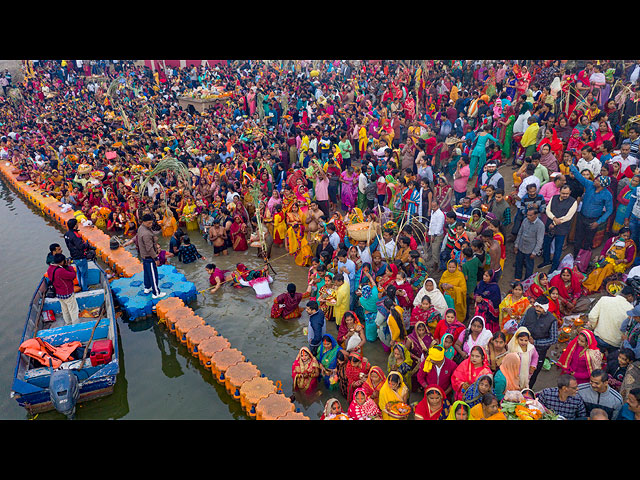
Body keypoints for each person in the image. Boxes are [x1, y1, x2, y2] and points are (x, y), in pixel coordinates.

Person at [569, 164, 613, 258]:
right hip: (582, 217)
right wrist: (571, 166)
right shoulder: (589, 185)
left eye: (597, 180)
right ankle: (575, 257)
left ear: (601, 184)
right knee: (578, 238)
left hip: (593, 220)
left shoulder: (607, 195)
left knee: (588, 240)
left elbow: (609, 210)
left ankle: (584, 258)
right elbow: (580, 177)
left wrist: (598, 222)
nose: (594, 180)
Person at [518, 295, 558, 389]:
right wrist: (525, 336)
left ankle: (527, 391)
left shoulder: (552, 320)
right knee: (519, 369)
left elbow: (553, 339)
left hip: (539, 351)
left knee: (533, 373)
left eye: (540, 307)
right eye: (537, 306)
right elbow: (520, 325)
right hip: (523, 347)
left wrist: (535, 342)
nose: (537, 309)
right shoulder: (529, 311)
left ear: (545, 308)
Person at [583, 227, 636, 293]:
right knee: (598, 270)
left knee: (607, 269)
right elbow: (604, 250)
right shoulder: (613, 240)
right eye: (624, 235)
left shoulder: (630, 245)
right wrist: (602, 256)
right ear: (619, 234)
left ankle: (596, 286)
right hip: (607, 259)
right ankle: (588, 284)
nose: (626, 238)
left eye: (628, 236)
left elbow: (629, 259)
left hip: (618, 264)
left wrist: (620, 261)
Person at [587, 286, 635, 355]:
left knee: (594, 358)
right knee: (610, 361)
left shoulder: (604, 299)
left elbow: (592, 316)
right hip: (615, 344)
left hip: (599, 337)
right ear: (630, 296)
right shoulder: (631, 309)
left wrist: (593, 326)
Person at [540, 185, 577, 272]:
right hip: (550, 226)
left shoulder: (573, 202)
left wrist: (554, 222)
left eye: (567, 193)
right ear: (559, 192)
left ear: (570, 193)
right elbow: (548, 210)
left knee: (558, 248)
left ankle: (554, 266)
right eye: (563, 193)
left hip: (562, 228)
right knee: (546, 244)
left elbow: (568, 216)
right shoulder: (554, 197)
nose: (565, 195)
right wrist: (554, 219)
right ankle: (546, 261)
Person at [46, 253, 80, 326]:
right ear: (62, 261)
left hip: (58, 293)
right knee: (73, 310)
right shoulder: (60, 271)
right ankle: (76, 325)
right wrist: (69, 266)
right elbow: (73, 275)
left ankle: (68, 323)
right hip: (67, 293)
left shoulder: (50, 269)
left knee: (65, 310)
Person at [514, 206, 545, 282]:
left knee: (529, 266)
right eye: (527, 215)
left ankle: (526, 281)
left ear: (536, 215)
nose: (528, 217)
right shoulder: (525, 220)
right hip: (521, 246)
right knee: (518, 263)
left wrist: (534, 252)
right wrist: (516, 245)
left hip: (530, 250)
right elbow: (520, 233)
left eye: (530, 215)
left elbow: (540, 240)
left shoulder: (540, 225)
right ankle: (517, 278)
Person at [138, 213, 165, 299]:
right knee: (153, 275)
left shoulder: (141, 228)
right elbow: (149, 248)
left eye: (151, 223)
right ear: (144, 222)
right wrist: (155, 258)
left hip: (143, 256)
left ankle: (147, 287)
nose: (151, 225)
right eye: (149, 223)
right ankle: (156, 292)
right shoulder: (146, 233)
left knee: (147, 273)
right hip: (149, 257)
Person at [63, 218, 91, 292]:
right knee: (84, 274)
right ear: (75, 226)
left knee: (79, 273)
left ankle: (80, 285)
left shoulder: (66, 234)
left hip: (74, 256)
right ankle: (84, 289)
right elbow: (80, 246)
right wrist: (87, 245)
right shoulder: (75, 235)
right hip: (80, 257)